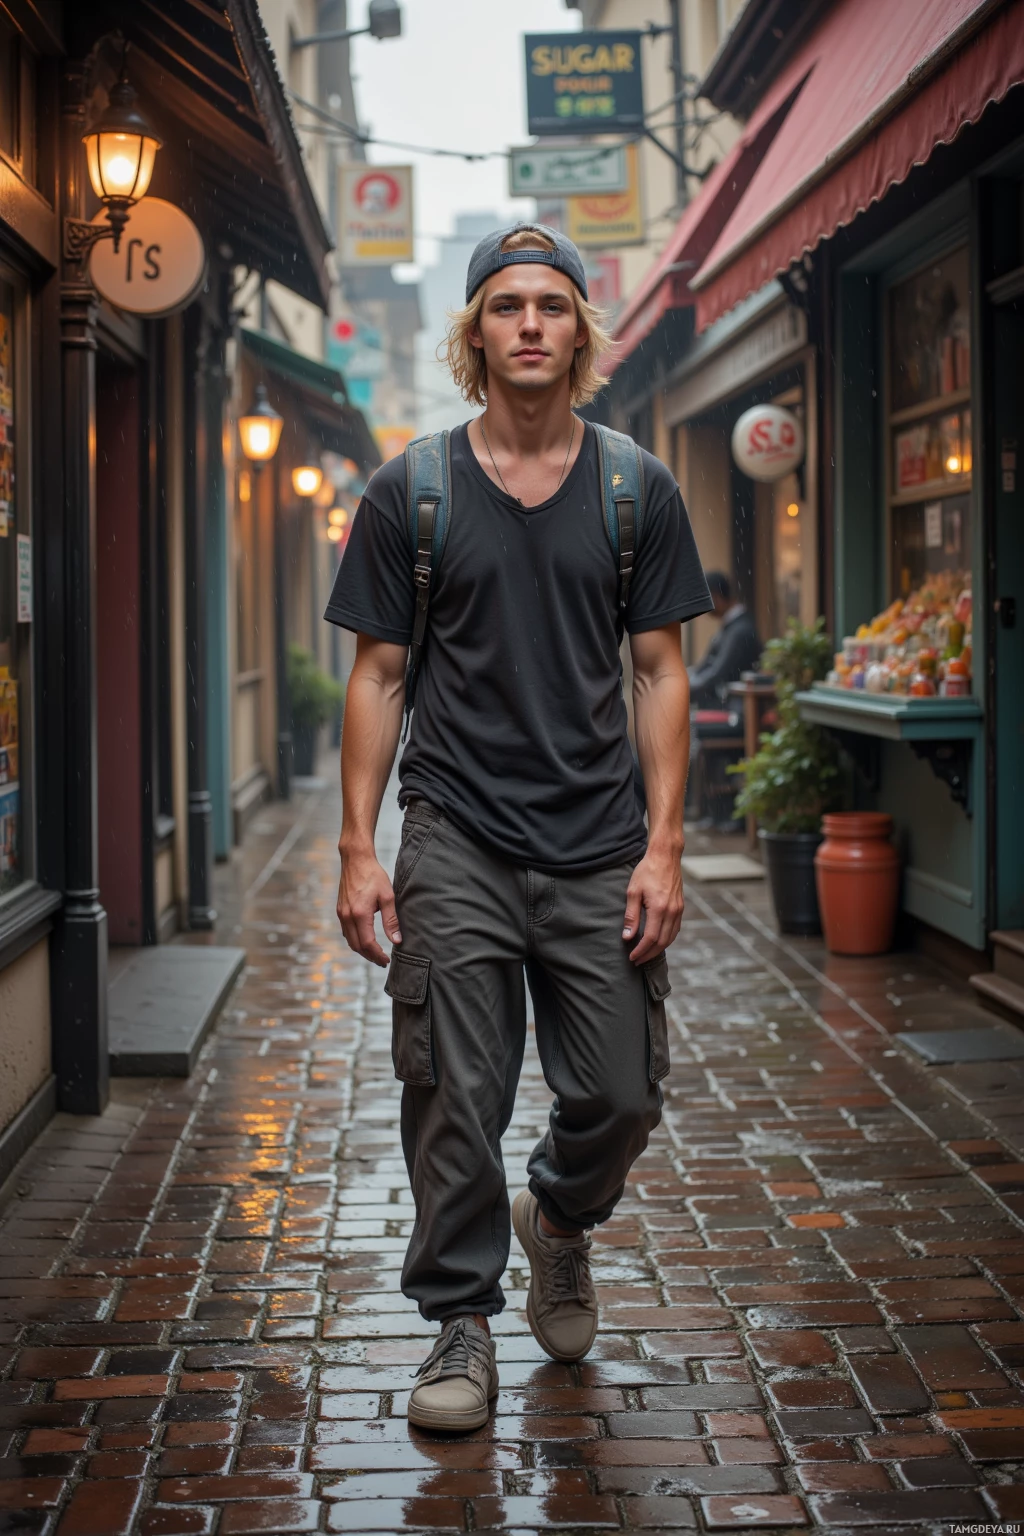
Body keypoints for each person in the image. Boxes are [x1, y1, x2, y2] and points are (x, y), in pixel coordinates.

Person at [325, 223, 712, 1434]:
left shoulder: (633, 486)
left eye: (552, 305)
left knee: (621, 1093)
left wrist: (663, 845)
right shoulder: (413, 489)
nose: (531, 323)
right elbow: (379, 675)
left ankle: (560, 1219)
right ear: (476, 334)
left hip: (598, 840)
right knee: (453, 1092)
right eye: (507, 305)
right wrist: (355, 845)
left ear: (581, 333)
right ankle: (459, 1323)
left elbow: (659, 673)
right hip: (458, 835)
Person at [686, 571, 762, 707]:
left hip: (735, 707)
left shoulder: (740, 630)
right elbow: (706, 667)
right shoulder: (733, 627)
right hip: (729, 702)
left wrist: (682, 690)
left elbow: (717, 673)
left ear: (716, 596)